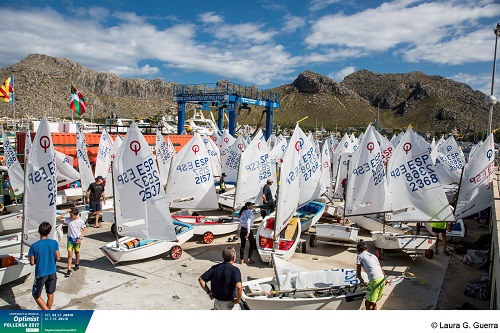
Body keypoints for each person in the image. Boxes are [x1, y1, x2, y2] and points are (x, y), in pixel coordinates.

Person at [28, 221, 61, 310]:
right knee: (50, 294)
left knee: (36, 294)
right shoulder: (54, 243)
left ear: (39, 231)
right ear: (49, 232)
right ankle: (47, 314)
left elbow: (32, 263)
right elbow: (58, 257)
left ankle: (47, 313)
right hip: (52, 272)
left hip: (41, 273)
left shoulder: (34, 246)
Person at [356, 241, 386, 310]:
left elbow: (358, 273)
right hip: (382, 279)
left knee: (368, 303)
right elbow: (380, 268)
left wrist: (362, 281)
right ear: (367, 249)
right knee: (374, 302)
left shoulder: (359, 256)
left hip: (374, 281)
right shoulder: (373, 256)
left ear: (358, 250)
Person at [57, 208, 86, 277]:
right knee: (70, 254)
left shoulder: (80, 221)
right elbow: (59, 218)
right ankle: (69, 269)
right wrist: (66, 211)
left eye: (72, 215)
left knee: (77, 252)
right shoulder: (68, 220)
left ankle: (76, 263)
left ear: (76, 215)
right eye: (70, 215)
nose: (70, 216)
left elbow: (84, 230)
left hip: (77, 239)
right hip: (70, 239)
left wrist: (80, 238)